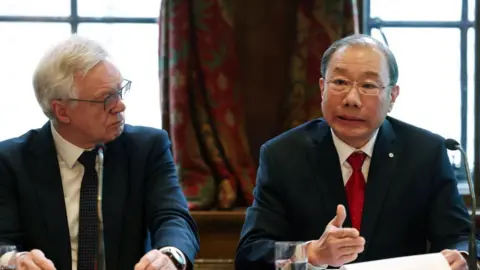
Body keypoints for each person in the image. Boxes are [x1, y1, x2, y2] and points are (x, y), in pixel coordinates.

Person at [235, 34, 474, 270]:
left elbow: (460, 237)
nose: (351, 99)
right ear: (322, 89)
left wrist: (460, 255)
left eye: (368, 85)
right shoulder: (283, 155)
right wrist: (311, 253)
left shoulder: (425, 153)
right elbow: (251, 253)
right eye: (339, 83)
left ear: (392, 96)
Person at [0, 35, 199, 270]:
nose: (120, 106)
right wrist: (12, 260)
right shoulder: (12, 161)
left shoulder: (147, 149)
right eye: (106, 99)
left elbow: (173, 218)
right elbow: (3, 239)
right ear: (62, 111)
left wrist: (170, 256)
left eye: (120, 91)